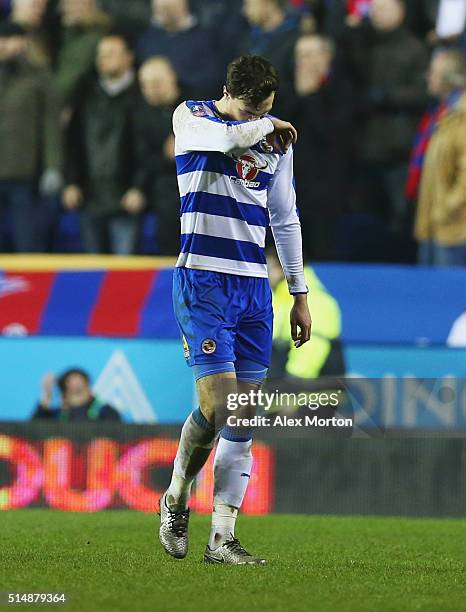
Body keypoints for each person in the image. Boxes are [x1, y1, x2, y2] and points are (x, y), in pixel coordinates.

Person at [158, 55, 312, 564]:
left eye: (264, 111)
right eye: (248, 109)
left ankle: (222, 537)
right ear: (227, 92)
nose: (254, 120)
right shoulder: (192, 118)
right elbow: (227, 139)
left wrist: (299, 292)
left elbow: (285, 218)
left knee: (243, 414)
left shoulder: (274, 140)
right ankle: (177, 495)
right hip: (202, 280)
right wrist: (264, 124)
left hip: (253, 289)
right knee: (218, 405)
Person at [62, 33, 144, 255]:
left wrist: (139, 187)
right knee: (93, 272)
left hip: (125, 196)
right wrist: (71, 182)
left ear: (128, 57)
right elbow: (73, 143)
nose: (103, 59)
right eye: (100, 55)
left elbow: (146, 148)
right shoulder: (84, 94)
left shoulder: (141, 95)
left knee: (125, 274)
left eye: (110, 54)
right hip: (89, 196)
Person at [287, 33, 354, 260]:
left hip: (329, 190)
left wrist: (311, 97)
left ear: (325, 57)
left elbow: (331, 133)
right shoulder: (288, 89)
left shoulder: (343, 88)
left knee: (323, 253)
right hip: (294, 188)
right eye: (299, 56)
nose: (302, 62)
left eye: (308, 55)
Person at [0, 21, 62, 252]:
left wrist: (52, 165)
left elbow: (50, 124)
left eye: (13, 39)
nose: (7, 46)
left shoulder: (38, 76)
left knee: (28, 241)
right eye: (4, 40)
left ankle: (32, 288)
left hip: (24, 173)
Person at [414, 51, 466, 266]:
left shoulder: (462, 115)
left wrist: (444, 209)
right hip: (433, 224)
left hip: (453, 229)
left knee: (447, 294)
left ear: (449, 78)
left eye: (434, 73)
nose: (428, 77)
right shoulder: (441, 112)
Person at [136, 56, 181, 255]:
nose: (151, 90)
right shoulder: (142, 116)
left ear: (172, 79)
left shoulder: (197, 104)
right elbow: (142, 159)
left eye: (156, 83)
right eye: (145, 86)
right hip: (166, 193)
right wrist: (165, 155)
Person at [136, 0, 222, 99]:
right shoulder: (147, 39)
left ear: (183, 5)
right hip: (151, 106)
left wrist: (175, 84)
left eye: (168, 8)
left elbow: (212, 78)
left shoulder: (206, 38)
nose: (164, 13)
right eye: (160, 8)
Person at [33, 368, 120, 421]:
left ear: (89, 388)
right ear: (64, 394)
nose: (75, 385)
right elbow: (33, 433)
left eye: (80, 385)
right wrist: (47, 396)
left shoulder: (105, 411)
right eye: (69, 386)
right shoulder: (58, 415)